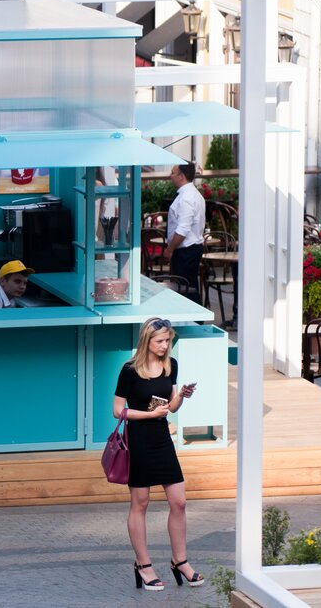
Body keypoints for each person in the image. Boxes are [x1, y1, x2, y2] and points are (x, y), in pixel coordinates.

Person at [113, 317, 201, 592]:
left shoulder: (170, 365)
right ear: (147, 341)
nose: (165, 346)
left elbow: (171, 406)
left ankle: (180, 561)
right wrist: (149, 415)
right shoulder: (130, 370)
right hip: (138, 440)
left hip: (162, 438)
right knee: (140, 502)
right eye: (160, 341)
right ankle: (143, 564)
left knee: (179, 501)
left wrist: (182, 395)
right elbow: (118, 410)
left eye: (167, 340)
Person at [163, 161, 205, 297]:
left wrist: (169, 249)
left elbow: (182, 230)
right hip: (191, 248)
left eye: (173, 173)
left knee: (185, 290)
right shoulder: (194, 194)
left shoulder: (186, 198)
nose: (170, 176)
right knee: (188, 288)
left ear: (181, 176)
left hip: (186, 251)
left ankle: (194, 312)